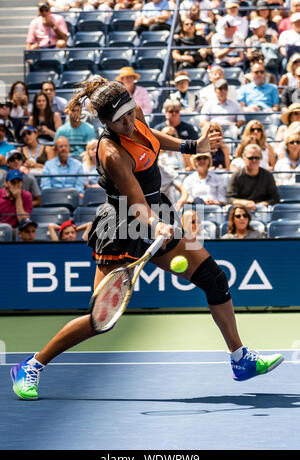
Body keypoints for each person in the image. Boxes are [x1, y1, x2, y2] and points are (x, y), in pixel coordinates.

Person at [10, 75, 284, 401]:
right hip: (125, 225)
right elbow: (136, 204)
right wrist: (156, 223)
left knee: (214, 277)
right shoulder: (111, 151)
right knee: (101, 320)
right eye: (120, 121)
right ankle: (31, 365)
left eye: (129, 114)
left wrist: (191, 146)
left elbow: (149, 137)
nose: (128, 123)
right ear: (104, 122)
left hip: (158, 211)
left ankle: (240, 359)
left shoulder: (132, 113)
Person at [226, 143, 280, 211]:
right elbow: (230, 198)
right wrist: (244, 203)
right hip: (241, 211)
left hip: (262, 211)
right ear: (244, 158)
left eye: (257, 158)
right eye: (250, 158)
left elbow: (275, 199)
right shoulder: (237, 176)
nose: (254, 160)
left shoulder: (267, 175)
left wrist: (259, 205)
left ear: (261, 158)